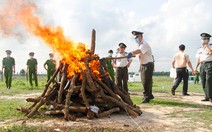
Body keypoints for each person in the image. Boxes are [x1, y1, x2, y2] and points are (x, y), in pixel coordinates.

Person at [127, 31, 154, 103]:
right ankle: (150, 95)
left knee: (145, 81)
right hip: (144, 64)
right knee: (147, 81)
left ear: (141, 36)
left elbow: (139, 51)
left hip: (148, 64)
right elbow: (140, 55)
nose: (136, 39)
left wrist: (132, 52)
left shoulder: (144, 44)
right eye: (135, 38)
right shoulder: (139, 44)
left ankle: (146, 97)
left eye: (137, 37)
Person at [194, 33, 212, 102]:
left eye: (205, 39)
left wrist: (206, 46)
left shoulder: (210, 46)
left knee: (209, 80)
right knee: (203, 80)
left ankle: (210, 97)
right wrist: (195, 68)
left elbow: (210, 53)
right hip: (202, 64)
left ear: (208, 39)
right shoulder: (199, 49)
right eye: (202, 39)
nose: (203, 40)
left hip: (209, 64)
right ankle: (207, 96)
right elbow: (198, 59)